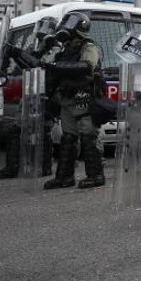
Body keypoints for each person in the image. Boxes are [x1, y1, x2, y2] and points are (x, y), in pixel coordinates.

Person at [0, 17, 61, 180]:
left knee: (44, 131)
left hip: (48, 96)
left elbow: (41, 66)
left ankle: (44, 167)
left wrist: (18, 53)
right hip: (31, 93)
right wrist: (17, 53)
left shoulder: (58, 49)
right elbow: (28, 63)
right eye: (41, 27)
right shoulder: (39, 46)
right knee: (15, 130)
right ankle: (13, 167)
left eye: (45, 27)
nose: (42, 31)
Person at [42, 12, 104, 190]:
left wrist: (56, 66)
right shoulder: (64, 49)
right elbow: (48, 65)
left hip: (83, 97)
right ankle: (64, 177)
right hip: (66, 99)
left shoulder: (89, 46)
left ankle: (96, 175)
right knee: (68, 138)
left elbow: (87, 66)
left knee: (88, 136)